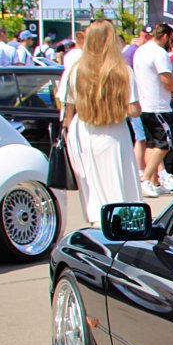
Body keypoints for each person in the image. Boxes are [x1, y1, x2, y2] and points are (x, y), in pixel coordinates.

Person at [60, 19, 142, 227]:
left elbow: (67, 107)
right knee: (118, 180)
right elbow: (134, 110)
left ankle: (97, 220)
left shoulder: (75, 70)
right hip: (114, 131)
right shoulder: (122, 71)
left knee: (91, 184)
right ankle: (122, 222)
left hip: (83, 131)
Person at [132, 23, 173, 198]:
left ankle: (154, 182)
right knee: (164, 144)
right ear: (165, 36)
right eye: (171, 39)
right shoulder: (159, 52)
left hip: (145, 104)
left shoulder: (141, 51)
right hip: (158, 106)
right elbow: (166, 77)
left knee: (152, 145)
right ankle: (146, 179)